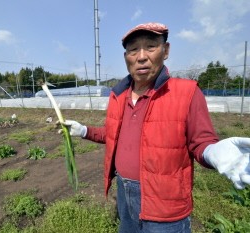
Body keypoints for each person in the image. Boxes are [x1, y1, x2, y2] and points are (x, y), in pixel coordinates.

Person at [60, 22, 250, 233]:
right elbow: (115, 135)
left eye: (150, 47)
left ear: (165, 51)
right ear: (126, 57)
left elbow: (200, 141)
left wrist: (212, 151)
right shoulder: (118, 95)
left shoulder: (186, 92)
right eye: (133, 50)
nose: (141, 56)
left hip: (164, 205)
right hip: (124, 191)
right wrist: (84, 131)